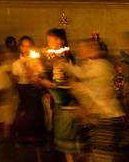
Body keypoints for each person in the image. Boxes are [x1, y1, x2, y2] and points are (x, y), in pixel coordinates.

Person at [66, 39, 125, 162]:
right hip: (97, 116)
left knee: (103, 155)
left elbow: (82, 76)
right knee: (98, 153)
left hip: (106, 116)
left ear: (92, 50)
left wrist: (62, 64)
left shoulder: (101, 65)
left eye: (82, 49)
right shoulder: (91, 64)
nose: (79, 52)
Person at [39, 28, 83, 161]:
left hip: (68, 106)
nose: (48, 44)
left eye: (50, 41)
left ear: (60, 41)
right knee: (69, 148)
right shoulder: (55, 58)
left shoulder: (65, 59)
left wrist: (47, 84)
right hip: (61, 106)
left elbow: (63, 84)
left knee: (73, 147)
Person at [10, 35, 47, 150]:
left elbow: (40, 80)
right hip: (23, 93)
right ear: (20, 47)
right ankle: (25, 147)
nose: (26, 49)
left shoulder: (37, 62)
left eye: (29, 46)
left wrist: (32, 70)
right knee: (24, 119)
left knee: (36, 118)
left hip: (34, 93)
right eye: (24, 46)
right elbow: (15, 82)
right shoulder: (15, 64)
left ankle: (39, 147)